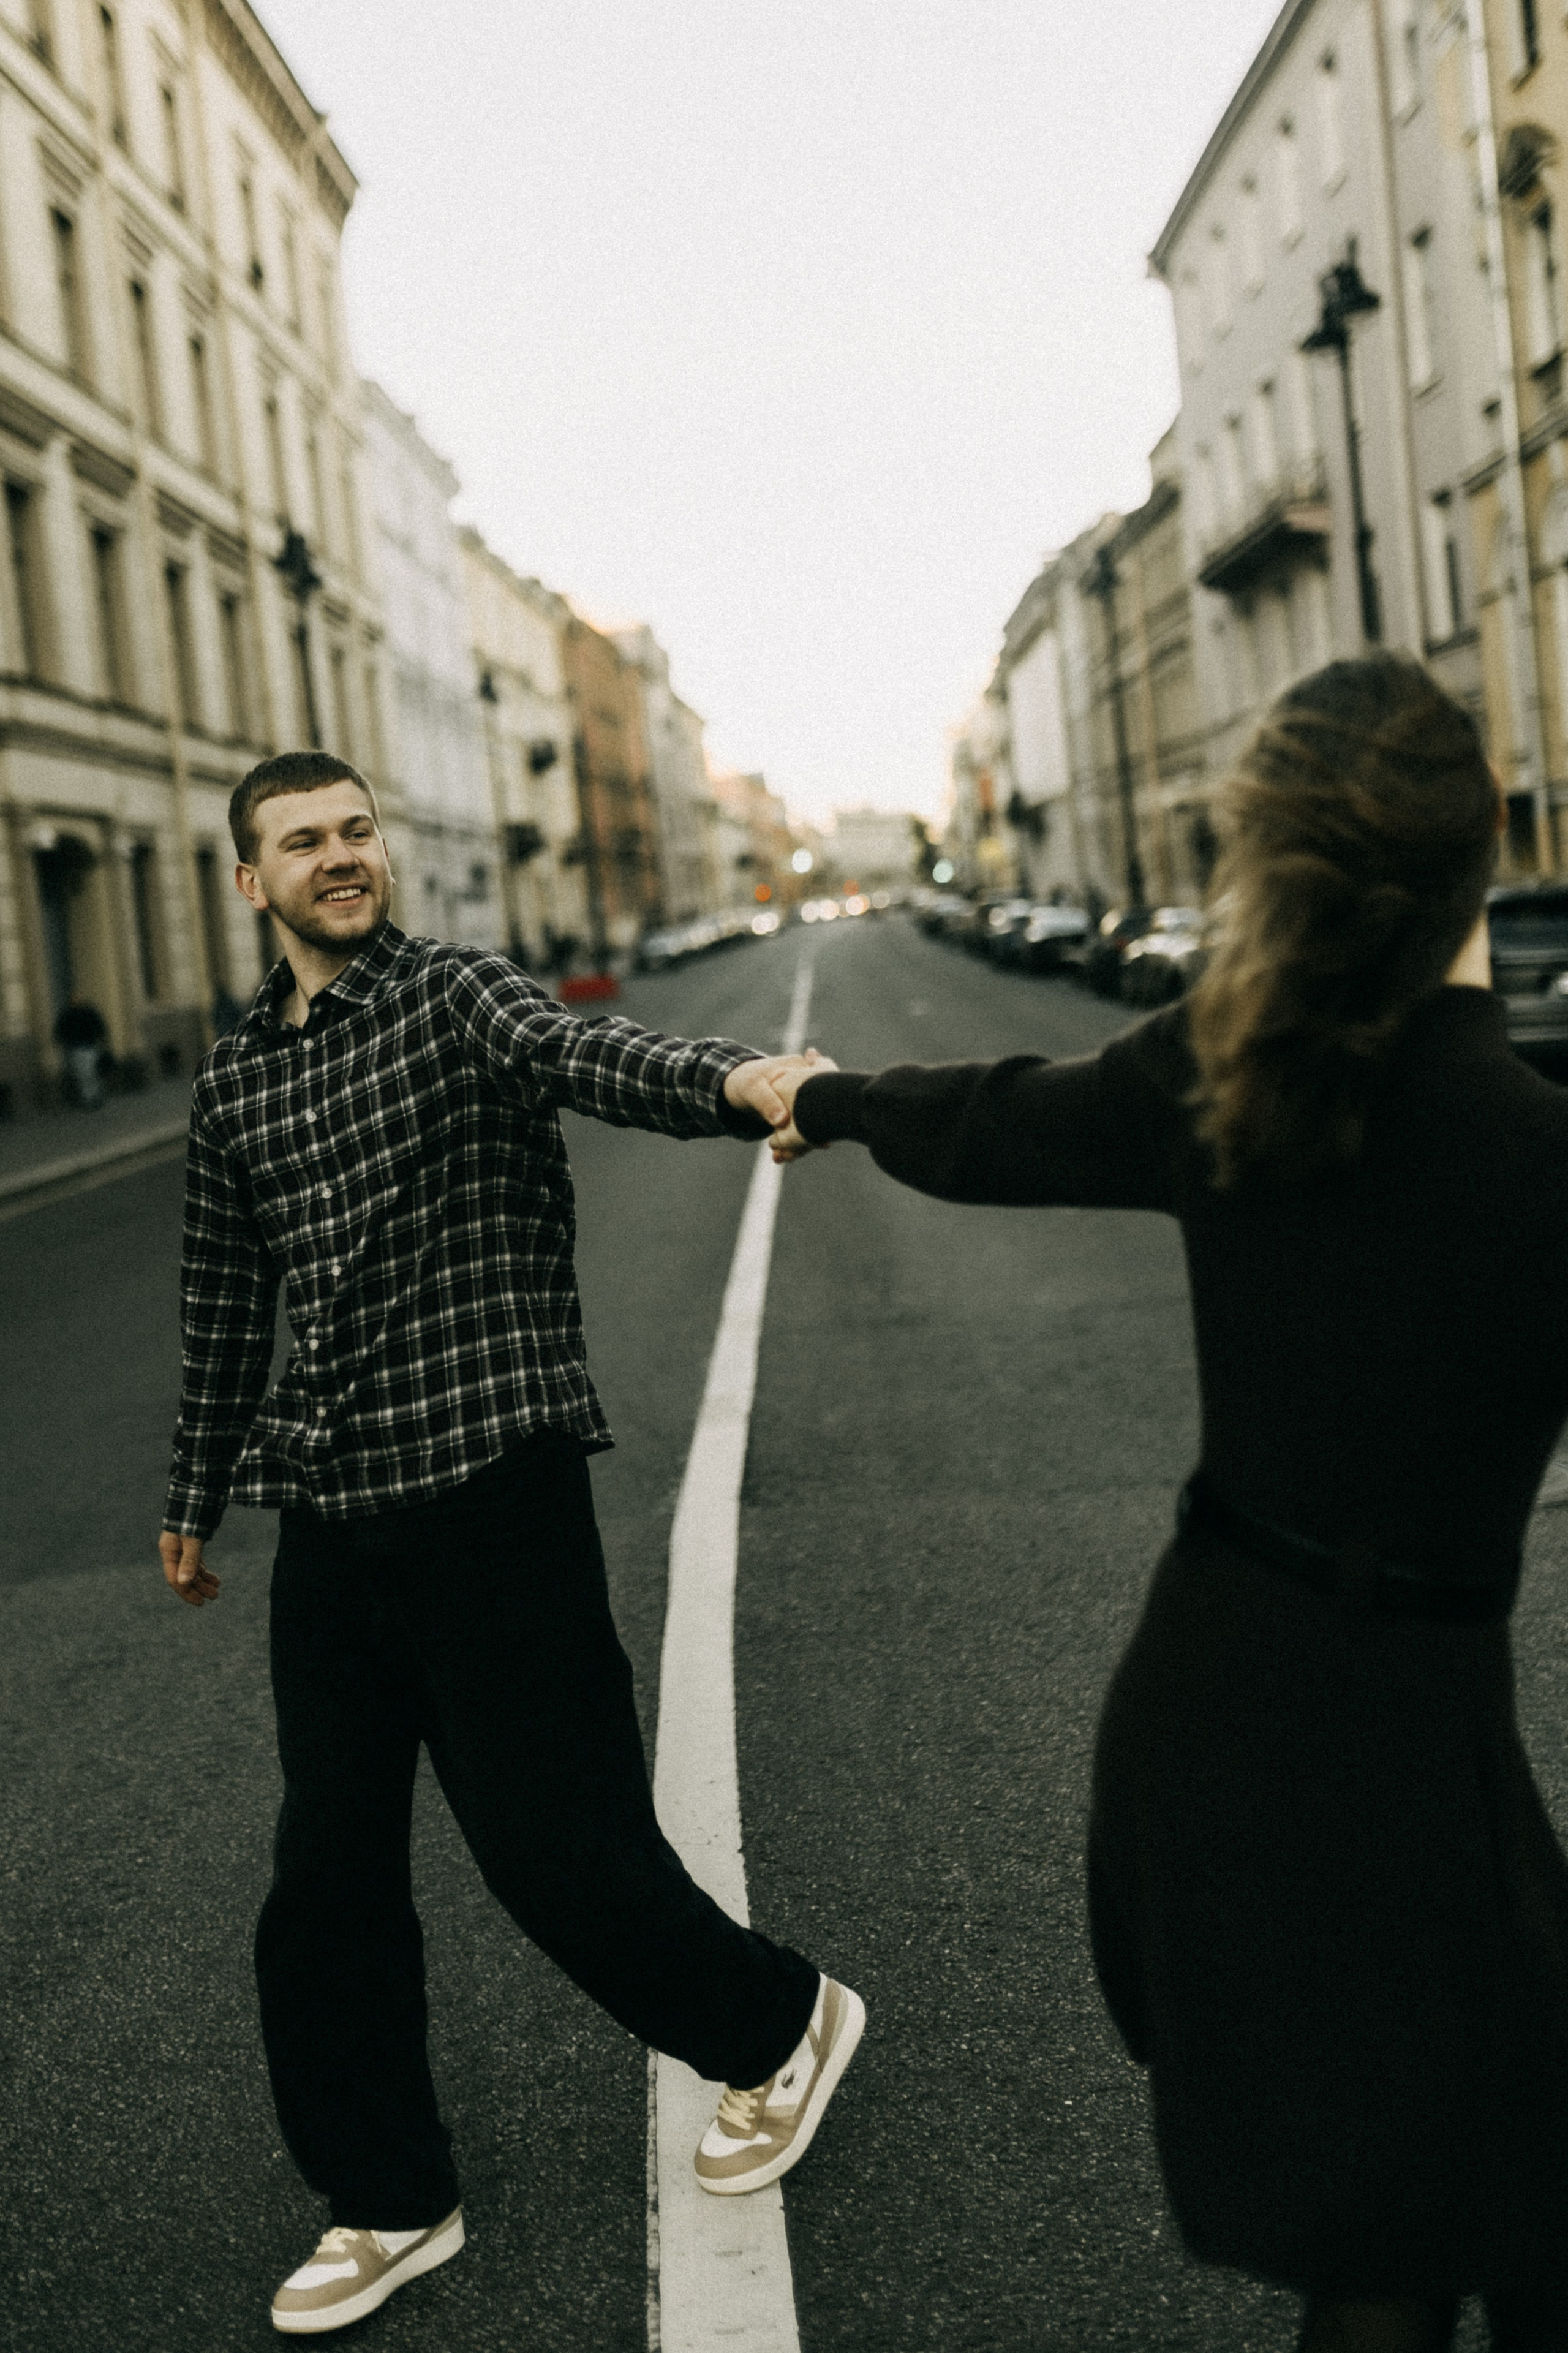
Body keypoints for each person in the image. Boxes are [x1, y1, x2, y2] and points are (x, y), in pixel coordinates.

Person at [767, 655, 1568, 2353]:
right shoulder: (1532, 1154)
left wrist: (820, 1097)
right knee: (1429, 2205)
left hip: (1208, 1718)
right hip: (1406, 1742)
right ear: (1486, 842)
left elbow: (994, 1119)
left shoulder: (1229, 1083)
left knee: (1409, 2201)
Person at [158, 750, 863, 2337]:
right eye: (303, 843)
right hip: (334, 1525)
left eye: (356, 832)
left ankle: (780, 2026)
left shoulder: (456, 996)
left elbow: (590, 1054)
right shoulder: (236, 1085)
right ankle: (389, 2195)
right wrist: (194, 1494)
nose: (342, 859)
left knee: (559, 1852)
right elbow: (221, 1305)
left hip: (490, 1491)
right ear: (251, 879)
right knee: (322, 1882)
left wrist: (746, 1083)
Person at [54, 992, 108, 1108]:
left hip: (89, 1046)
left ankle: (94, 1095)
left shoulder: (87, 1012)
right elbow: (60, 1030)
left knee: (90, 1072)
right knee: (82, 1074)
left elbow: (99, 1025)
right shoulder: (68, 1014)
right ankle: (89, 1097)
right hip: (76, 1048)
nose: (76, 1001)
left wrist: (101, 1039)